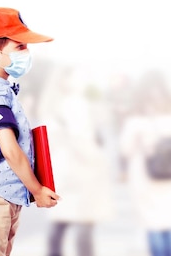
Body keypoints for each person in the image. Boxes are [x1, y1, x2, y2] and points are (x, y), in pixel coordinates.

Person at [0, 7, 60, 255]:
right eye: (20, 47)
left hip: (7, 196)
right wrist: (37, 190)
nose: (27, 53)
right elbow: (9, 149)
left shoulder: (3, 90)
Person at [39, 65, 114, 256]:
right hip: (81, 166)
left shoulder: (52, 105)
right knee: (84, 222)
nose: (82, 81)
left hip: (61, 168)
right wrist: (98, 161)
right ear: (65, 81)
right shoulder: (75, 104)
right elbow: (80, 138)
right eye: (78, 77)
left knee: (60, 222)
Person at [118, 70, 171, 256]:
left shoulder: (137, 119)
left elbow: (125, 149)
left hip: (145, 173)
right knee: (168, 221)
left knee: (152, 223)